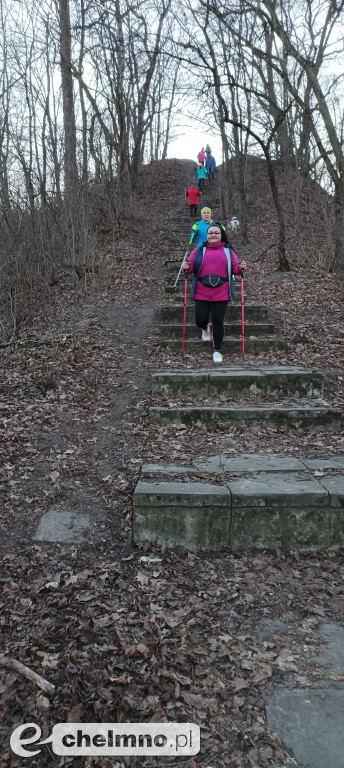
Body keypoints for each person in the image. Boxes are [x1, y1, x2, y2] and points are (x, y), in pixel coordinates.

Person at [182, 222, 246, 363]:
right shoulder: (198, 251)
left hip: (221, 292)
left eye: (216, 233)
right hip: (201, 291)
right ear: (207, 235)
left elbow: (235, 269)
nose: (213, 235)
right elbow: (189, 268)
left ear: (221, 235)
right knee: (200, 320)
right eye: (211, 233)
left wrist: (241, 268)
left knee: (218, 321)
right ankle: (204, 328)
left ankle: (217, 351)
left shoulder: (229, 251)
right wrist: (186, 267)